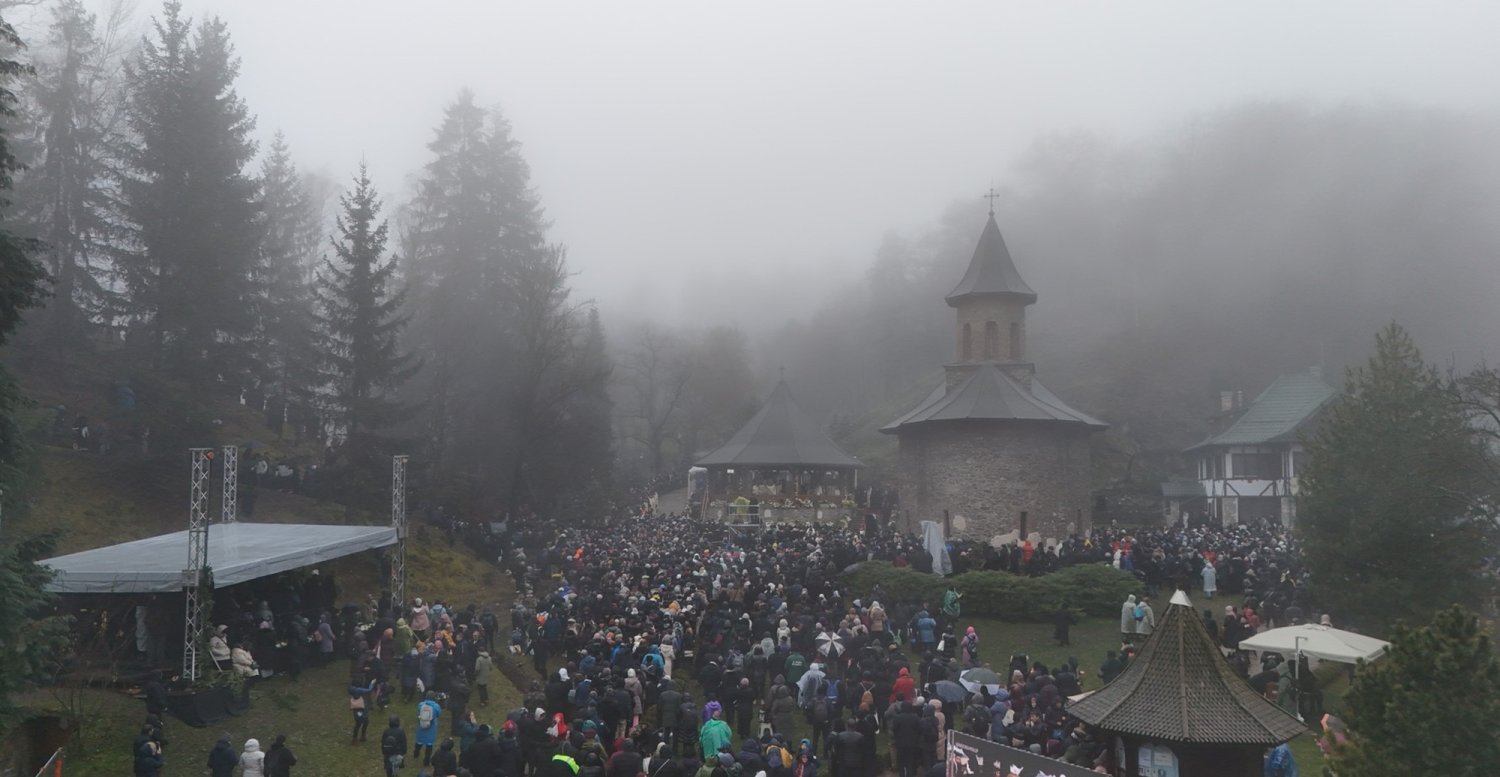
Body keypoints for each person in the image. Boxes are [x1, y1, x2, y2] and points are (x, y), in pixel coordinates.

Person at [416, 691, 443, 765]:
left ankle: (416, 753)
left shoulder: (421, 704)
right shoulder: (436, 706)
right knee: (429, 744)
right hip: (431, 727)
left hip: (421, 725)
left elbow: (418, 711)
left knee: (419, 741)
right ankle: (426, 761)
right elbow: (438, 714)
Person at [350, 674, 377, 743]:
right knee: (365, 722)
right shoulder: (359, 690)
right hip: (362, 709)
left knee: (358, 724)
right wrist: (372, 683)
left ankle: (355, 738)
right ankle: (362, 736)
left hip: (356, 709)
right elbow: (369, 690)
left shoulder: (351, 689)